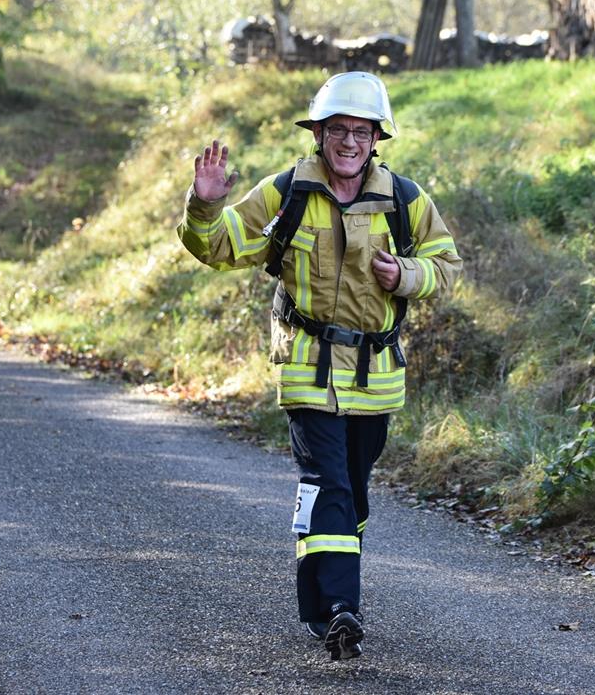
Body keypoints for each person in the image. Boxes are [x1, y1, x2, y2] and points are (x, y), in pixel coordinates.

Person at [178, 71, 461, 661]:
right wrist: (205, 206)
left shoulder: (405, 201)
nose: (349, 141)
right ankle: (342, 609)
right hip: (307, 371)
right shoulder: (287, 193)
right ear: (319, 134)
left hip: (375, 377)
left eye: (360, 131)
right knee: (328, 483)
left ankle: (319, 608)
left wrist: (407, 275)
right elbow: (222, 244)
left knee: (348, 498)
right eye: (338, 130)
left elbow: (446, 265)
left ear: (377, 138)